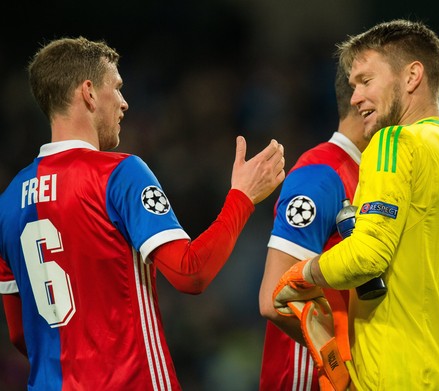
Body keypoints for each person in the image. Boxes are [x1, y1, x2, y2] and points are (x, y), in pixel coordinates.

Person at [0, 36, 285, 390]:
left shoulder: (8, 202)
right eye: (116, 88)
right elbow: (191, 272)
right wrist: (242, 197)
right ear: (89, 93)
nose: (124, 103)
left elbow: (19, 333)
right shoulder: (119, 174)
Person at [273, 19, 439, 390]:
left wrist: (300, 275)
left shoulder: (394, 142)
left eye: (366, 81)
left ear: (412, 76)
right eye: (353, 87)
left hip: (388, 376)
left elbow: (367, 257)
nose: (354, 98)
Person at [258, 65, 368, 390]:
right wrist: (341, 370)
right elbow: (274, 299)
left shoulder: (372, 176)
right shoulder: (323, 174)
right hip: (308, 379)